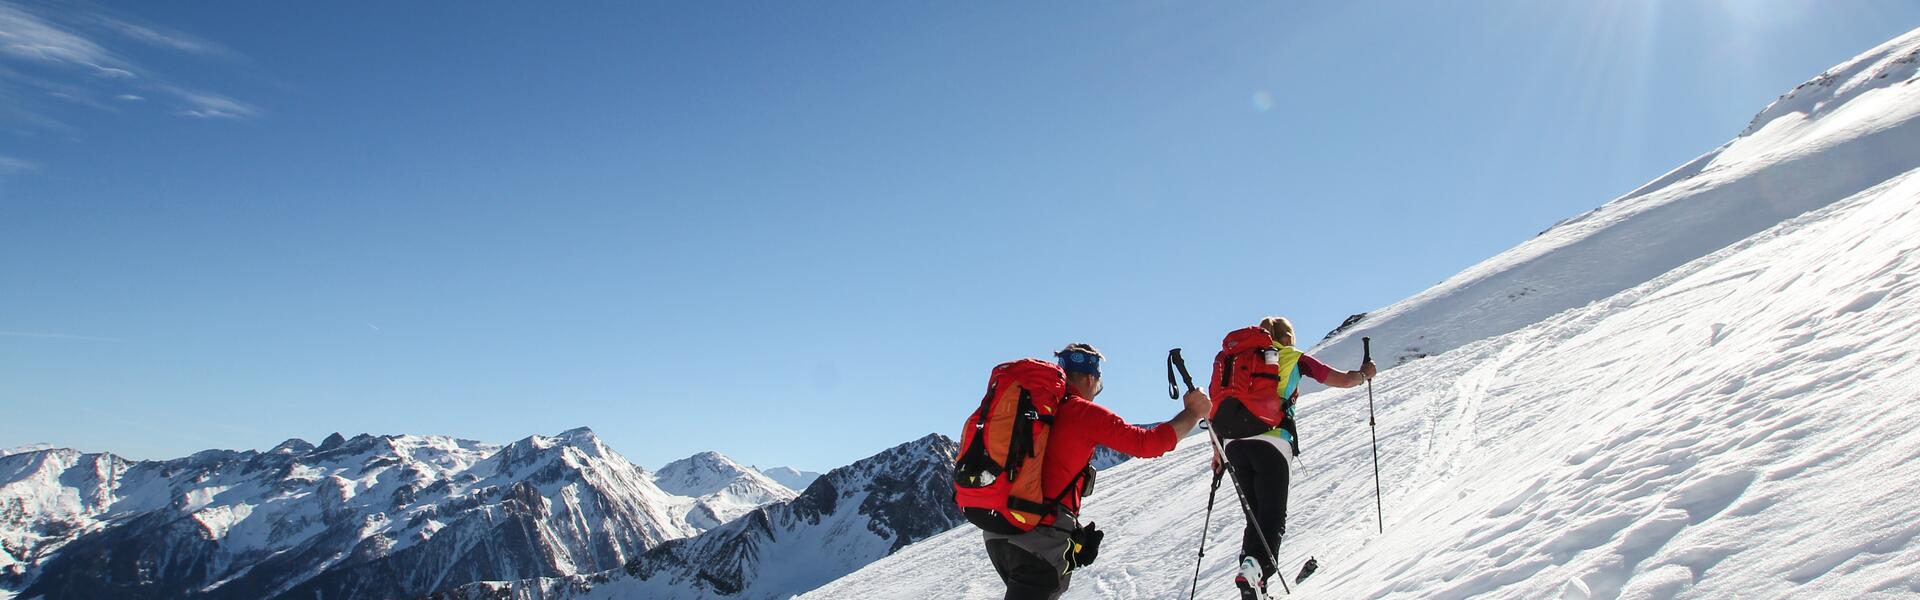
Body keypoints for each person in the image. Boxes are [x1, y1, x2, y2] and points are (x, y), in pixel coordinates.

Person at [982, 343, 1212, 600]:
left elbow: (1045, 477)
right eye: (1098, 386)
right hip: (1037, 539)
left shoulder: (1033, 413)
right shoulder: (1081, 412)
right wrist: (1193, 413)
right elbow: (1148, 444)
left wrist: (1071, 536)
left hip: (999, 531)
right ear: (1091, 378)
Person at [1216, 317, 1375, 599]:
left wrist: (1217, 452)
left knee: (1254, 515)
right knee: (1273, 515)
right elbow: (1341, 379)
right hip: (1272, 441)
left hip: (1233, 444)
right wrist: (1365, 375)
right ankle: (1256, 570)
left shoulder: (1239, 360)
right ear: (1289, 337)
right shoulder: (1292, 357)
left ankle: (1253, 577)